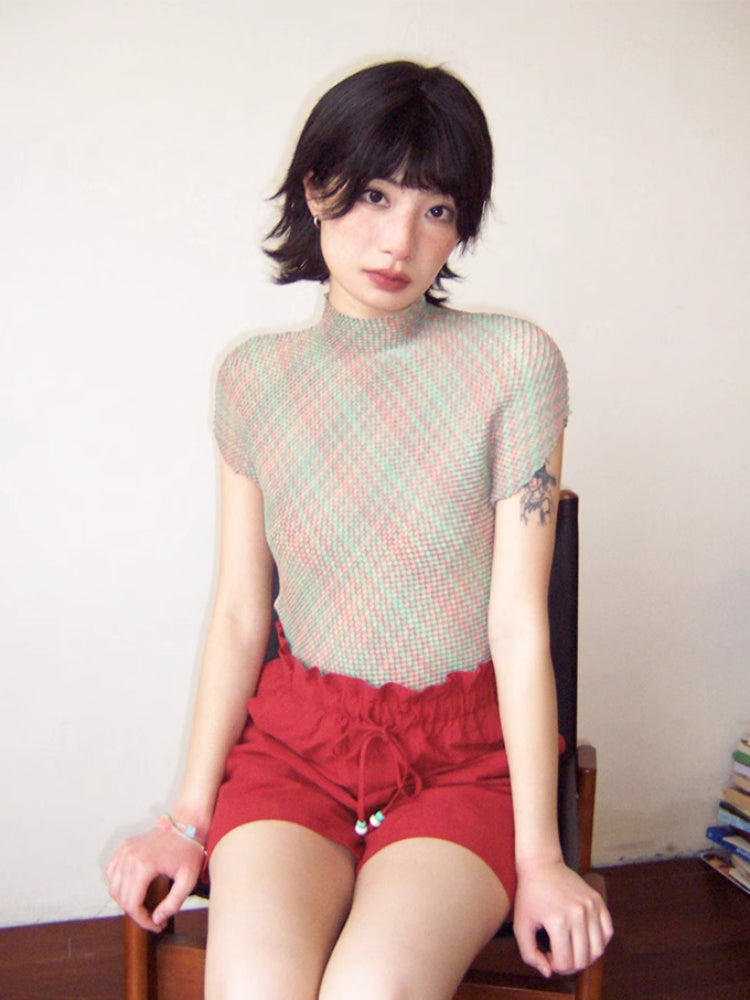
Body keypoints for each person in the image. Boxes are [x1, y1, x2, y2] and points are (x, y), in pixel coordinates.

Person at [106, 60, 613, 999]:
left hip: (463, 761)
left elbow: (518, 623)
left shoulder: (515, 363)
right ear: (316, 188)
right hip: (299, 746)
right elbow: (240, 613)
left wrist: (542, 857)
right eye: (376, 194)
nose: (399, 240)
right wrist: (184, 818)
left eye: (437, 209)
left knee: (370, 990)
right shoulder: (252, 379)